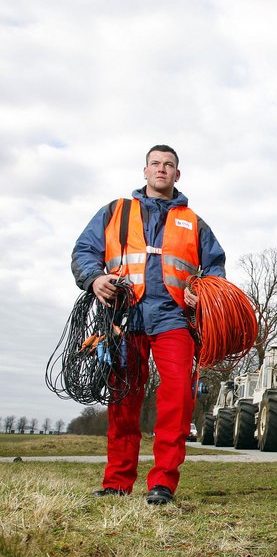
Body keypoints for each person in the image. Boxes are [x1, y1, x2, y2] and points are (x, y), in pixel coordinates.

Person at [71, 145, 226, 505]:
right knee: (124, 398)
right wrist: (94, 279)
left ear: (177, 174)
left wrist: (202, 292)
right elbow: (84, 251)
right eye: (155, 164)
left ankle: (162, 484)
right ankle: (118, 481)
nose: (161, 169)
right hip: (124, 315)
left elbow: (215, 268)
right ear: (145, 171)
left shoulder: (194, 222)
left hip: (173, 317)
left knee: (177, 397)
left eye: (168, 165)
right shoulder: (115, 211)